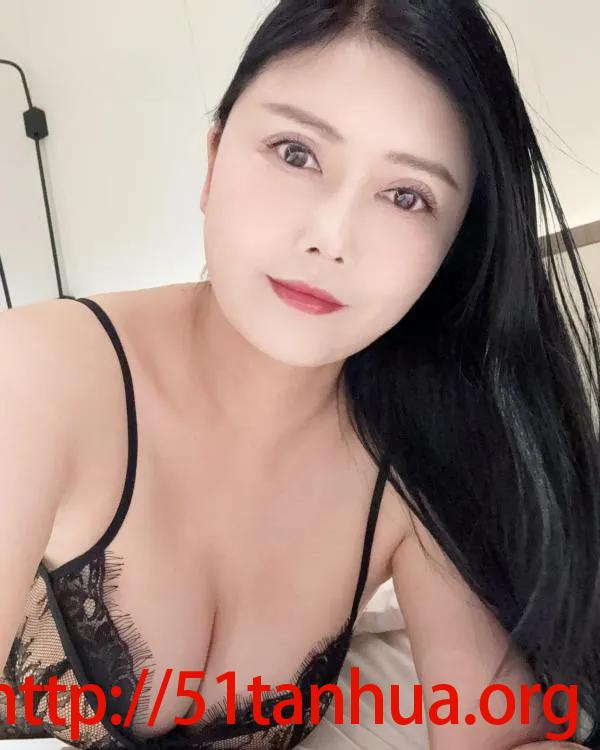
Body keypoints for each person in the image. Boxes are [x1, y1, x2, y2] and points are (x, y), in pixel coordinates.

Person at [1, 1, 599, 748]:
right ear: (214, 159)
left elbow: (497, 734)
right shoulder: (35, 377)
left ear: (451, 250)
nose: (330, 237)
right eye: (295, 152)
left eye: (407, 196)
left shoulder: (421, 451)